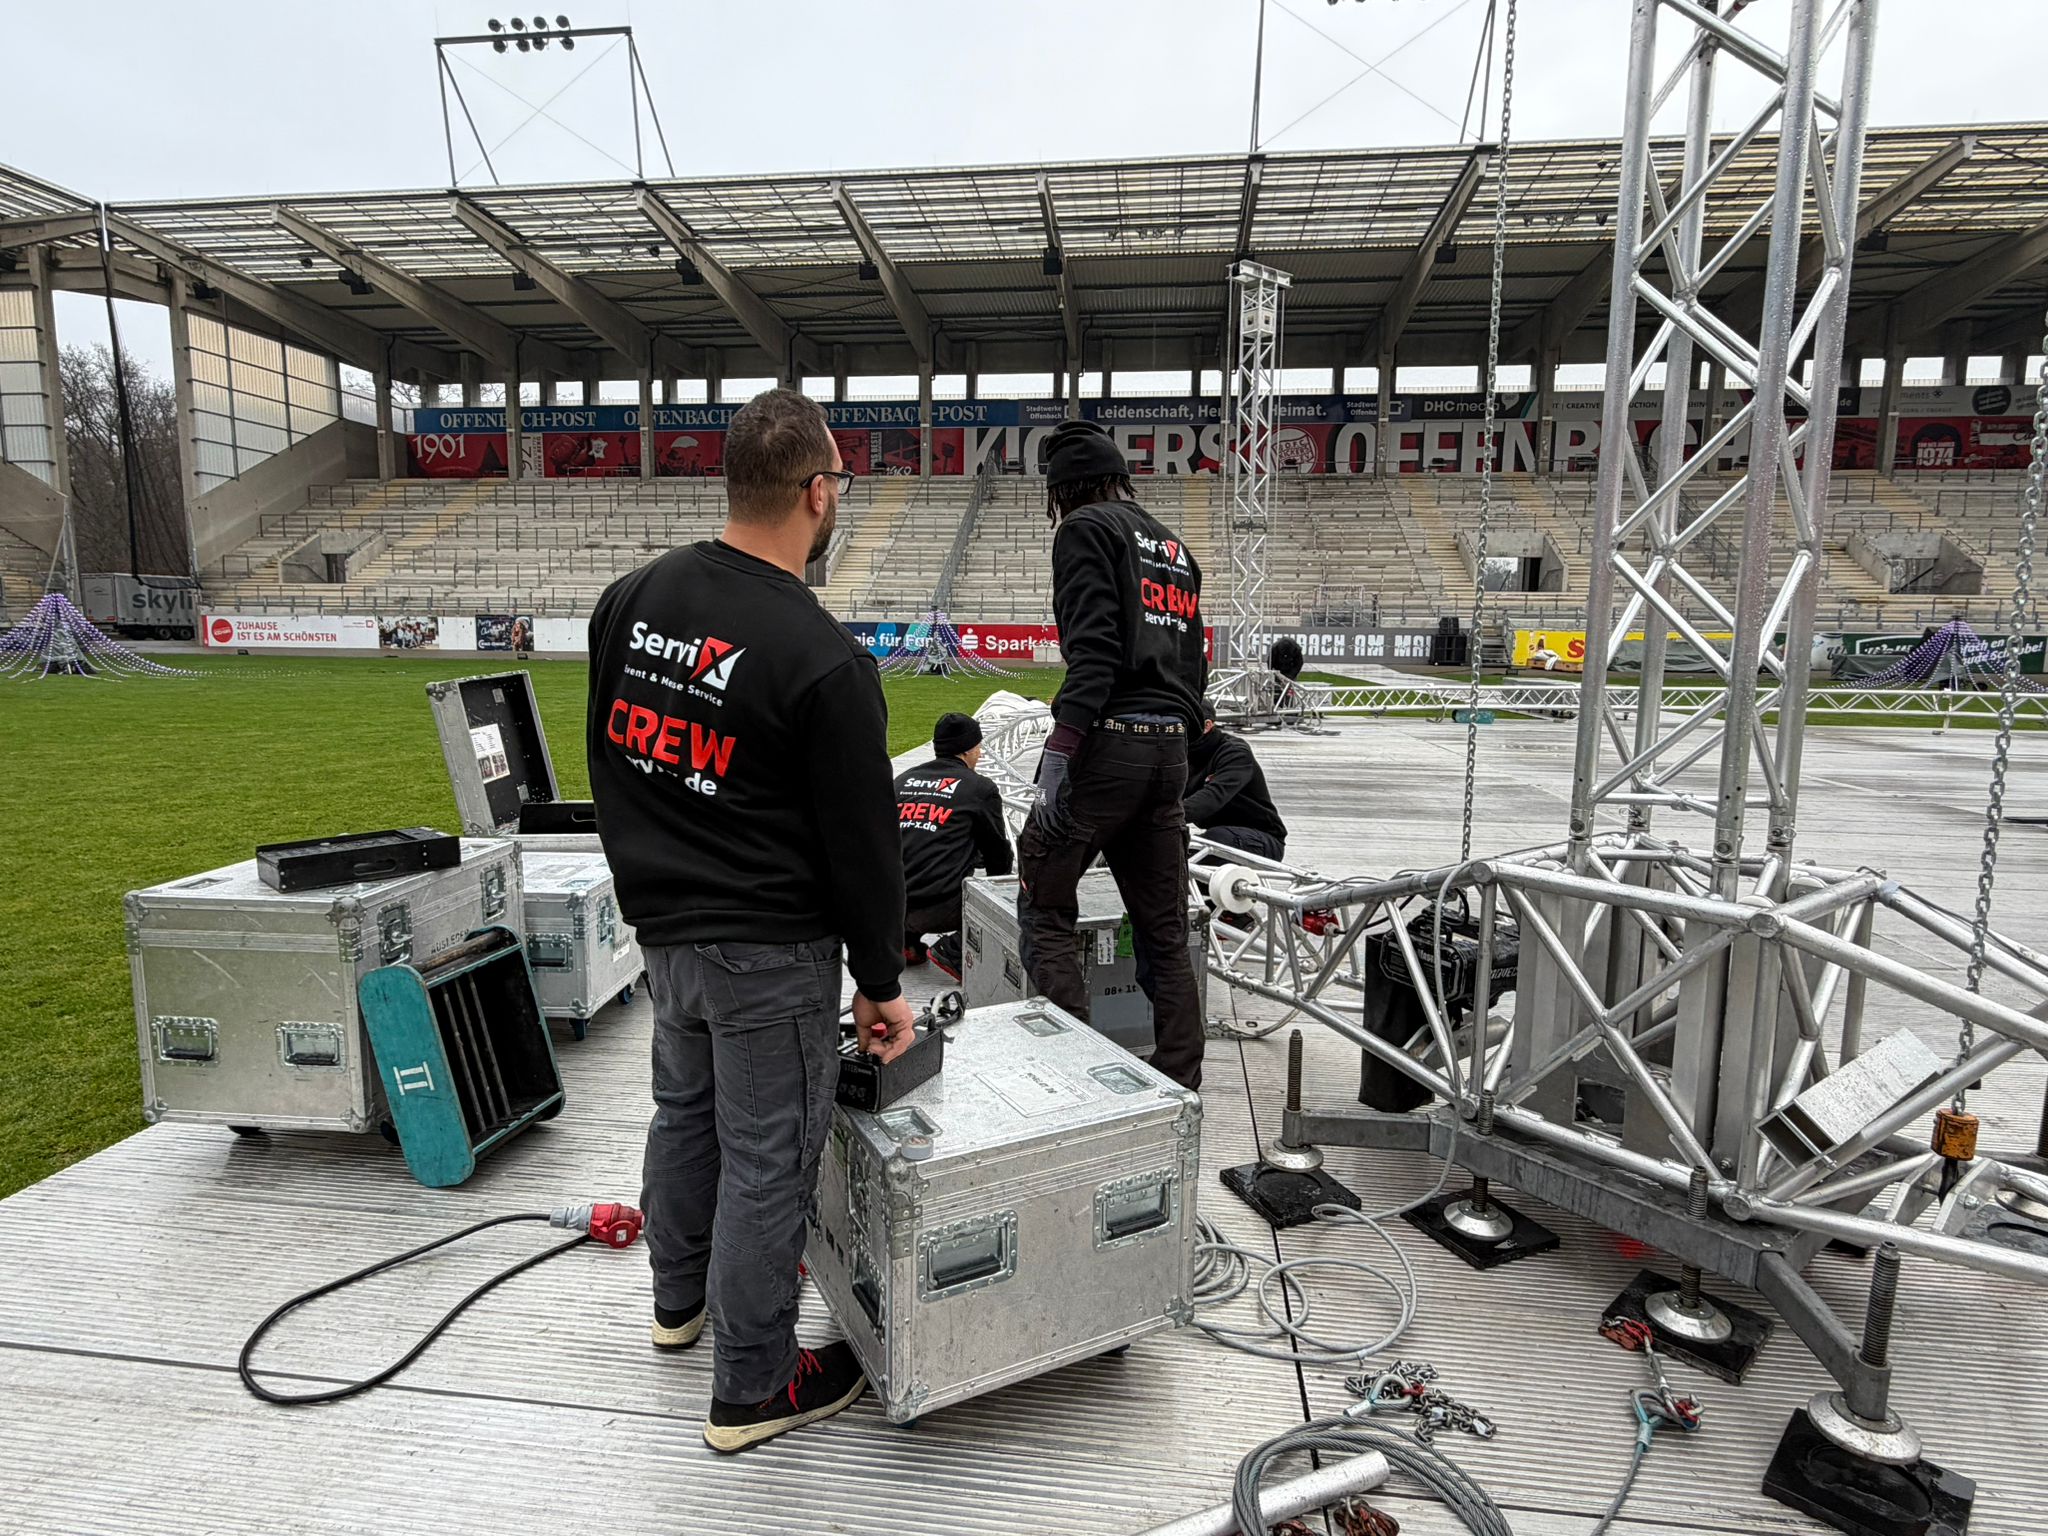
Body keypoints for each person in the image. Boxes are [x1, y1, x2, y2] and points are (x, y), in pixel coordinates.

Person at [586, 387, 914, 1455]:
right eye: (840, 490)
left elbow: (612, 757)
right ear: (817, 495)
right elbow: (864, 848)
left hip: (667, 935)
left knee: (684, 1120)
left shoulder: (629, 599)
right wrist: (879, 982)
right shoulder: (819, 657)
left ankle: (676, 1305)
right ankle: (752, 1384)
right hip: (763, 952)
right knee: (767, 1158)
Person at [1017, 419, 1209, 1092]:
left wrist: (1062, 752)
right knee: (1164, 933)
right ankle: (1180, 1079)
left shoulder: (1084, 530)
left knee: (1043, 898)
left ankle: (1068, 1077)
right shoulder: (1175, 548)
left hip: (1112, 743)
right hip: (1169, 754)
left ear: (1062, 489)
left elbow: (1094, 653)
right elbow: (1194, 668)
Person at [897, 712, 1013, 979]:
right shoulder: (979, 788)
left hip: (888, 905)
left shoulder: (902, 780)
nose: (980, 755)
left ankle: (905, 942)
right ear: (969, 750)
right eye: (978, 748)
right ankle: (953, 949)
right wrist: (999, 897)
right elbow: (997, 851)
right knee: (1019, 900)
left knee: (919, 855)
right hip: (939, 908)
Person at [1185, 706, 1287, 864]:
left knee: (1211, 842)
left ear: (1207, 726)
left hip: (1260, 839)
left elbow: (1212, 797)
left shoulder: (1235, 753)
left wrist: (1162, 817)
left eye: (1183, 726)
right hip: (1217, 834)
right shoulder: (1178, 755)